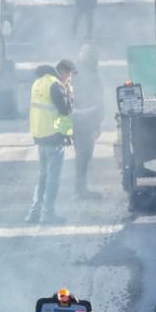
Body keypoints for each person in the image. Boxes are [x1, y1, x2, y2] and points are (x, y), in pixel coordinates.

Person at [26, 59, 75, 224]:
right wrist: (69, 92)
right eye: (69, 75)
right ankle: (48, 214)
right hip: (54, 137)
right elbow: (66, 109)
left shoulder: (38, 82)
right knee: (52, 178)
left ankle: (34, 213)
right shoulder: (56, 85)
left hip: (40, 135)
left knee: (42, 176)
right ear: (64, 72)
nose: (70, 79)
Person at [71, 44, 104, 200]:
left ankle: (79, 188)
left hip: (74, 119)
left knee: (80, 155)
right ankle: (80, 190)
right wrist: (97, 124)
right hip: (86, 120)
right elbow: (98, 102)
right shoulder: (92, 75)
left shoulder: (73, 72)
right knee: (84, 156)